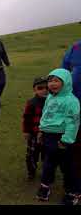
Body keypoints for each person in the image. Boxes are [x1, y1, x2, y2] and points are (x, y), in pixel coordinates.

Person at [36, 69, 80, 204]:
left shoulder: (71, 101)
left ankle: (72, 192)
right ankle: (45, 186)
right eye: (50, 80)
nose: (52, 84)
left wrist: (66, 140)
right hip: (48, 137)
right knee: (48, 163)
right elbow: (45, 115)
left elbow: (73, 122)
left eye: (56, 81)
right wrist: (41, 130)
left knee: (67, 167)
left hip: (62, 138)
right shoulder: (50, 97)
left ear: (65, 82)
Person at [61, 39, 81, 204]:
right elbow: (64, 72)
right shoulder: (75, 47)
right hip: (75, 105)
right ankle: (75, 189)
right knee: (74, 148)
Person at [22, 76, 48, 180]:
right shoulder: (31, 103)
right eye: (40, 88)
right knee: (31, 155)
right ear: (35, 89)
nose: (44, 90)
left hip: (48, 134)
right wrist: (26, 131)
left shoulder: (53, 102)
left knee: (47, 156)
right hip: (34, 135)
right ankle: (31, 171)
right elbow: (26, 118)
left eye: (46, 88)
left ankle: (47, 172)